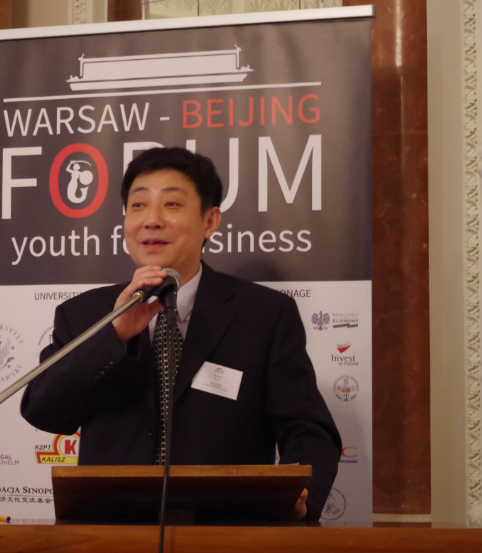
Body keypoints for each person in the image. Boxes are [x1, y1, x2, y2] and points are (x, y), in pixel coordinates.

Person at [20, 147, 341, 521]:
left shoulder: (264, 314)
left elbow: (307, 428)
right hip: (108, 532)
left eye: (171, 204)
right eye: (138, 206)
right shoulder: (85, 315)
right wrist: (113, 336)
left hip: (227, 533)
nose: (151, 220)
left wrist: (299, 494)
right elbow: (44, 411)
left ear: (210, 221)